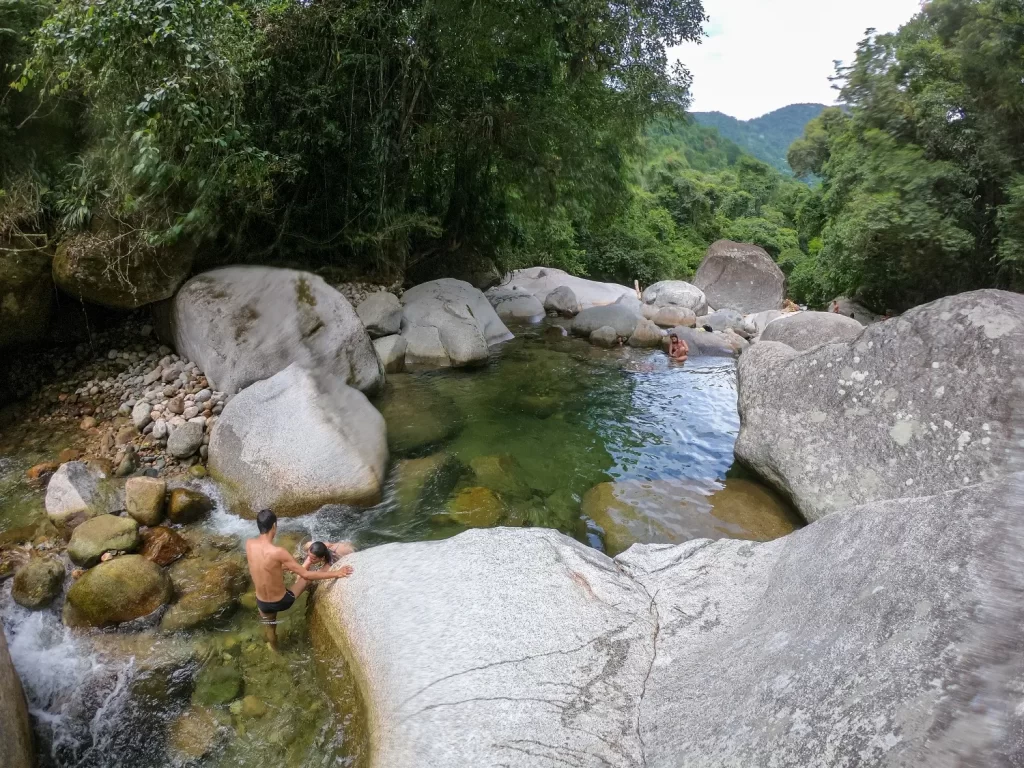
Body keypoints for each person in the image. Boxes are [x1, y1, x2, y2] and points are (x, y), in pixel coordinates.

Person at [245, 509, 353, 650]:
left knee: (270, 628)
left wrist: (282, 567)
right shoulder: (278, 552)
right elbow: (306, 575)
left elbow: (262, 566)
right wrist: (337, 573)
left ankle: (274, 650)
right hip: (282, 601)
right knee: (305, 580)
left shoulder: (249, 544)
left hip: (262, 603)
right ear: (274, 526)